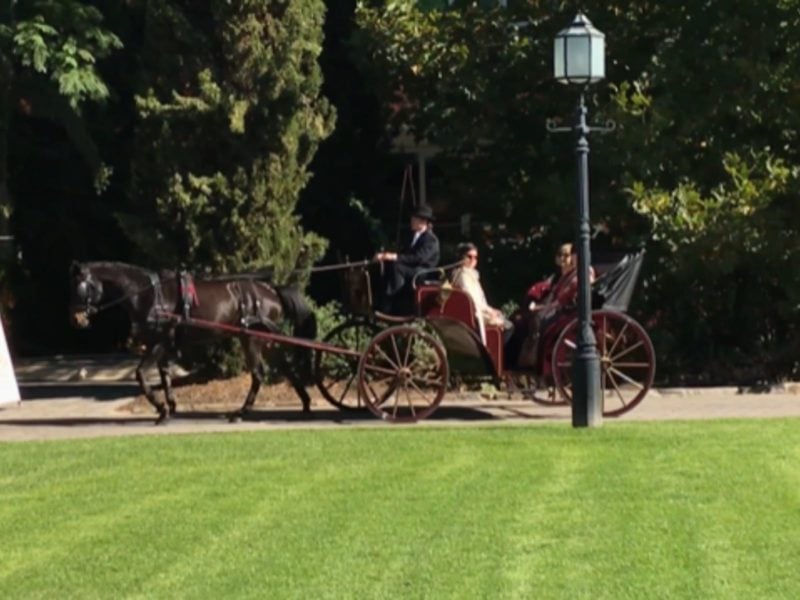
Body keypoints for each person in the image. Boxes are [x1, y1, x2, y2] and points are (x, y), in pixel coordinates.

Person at [374, 204, 440, 314]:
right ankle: (380, 297)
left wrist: (395, 257)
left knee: (397, 267)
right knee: (389, 264)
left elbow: (419, 258)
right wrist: (386, 256)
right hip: (411, 270)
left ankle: (392, 301)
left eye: (414, 218)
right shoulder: (411, 237)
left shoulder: (431, 240)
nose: (412, 221)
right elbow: (403, 253)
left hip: (423, 272)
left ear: (423, 221)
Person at [451, 242, 513, 343]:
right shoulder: (462, 275)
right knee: (509, 327)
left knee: (509, 322)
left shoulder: (471, 274)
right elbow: (472, 299)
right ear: (461, 257)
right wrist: (489, 312)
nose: (473, 260)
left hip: (480, 310)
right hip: (475, 314)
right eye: (469, 257)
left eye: (475, 257)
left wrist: (490, 309)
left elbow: (480, 299)